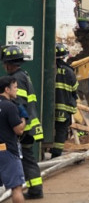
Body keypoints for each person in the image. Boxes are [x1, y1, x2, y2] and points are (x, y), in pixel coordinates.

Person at [1, 45, 44, 200]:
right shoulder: (24, 74)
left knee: (25, 158)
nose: (4, 66)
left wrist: (17, 125)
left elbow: (18, 103)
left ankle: (35, 190)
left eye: (5, 63)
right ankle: (35, 188)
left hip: (24, 127)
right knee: (27, 157)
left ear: (9, 64)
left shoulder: (16, 79)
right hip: (29, 126)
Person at [0, 75, 27, 203]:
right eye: (15, 87)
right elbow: (19, 130)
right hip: (7, 151)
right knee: (16, 187)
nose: (17, 90)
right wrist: (23, 118)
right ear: (7, 89)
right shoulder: (9, 106)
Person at [50, 43, 78, 159]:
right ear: (64, 57)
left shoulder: (48, 69)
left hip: (49, 109)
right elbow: (74, 91)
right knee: (61, 131)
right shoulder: (69, 72)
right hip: (64, 108)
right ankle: (56, 155)